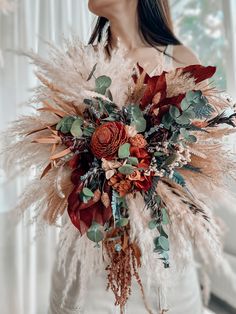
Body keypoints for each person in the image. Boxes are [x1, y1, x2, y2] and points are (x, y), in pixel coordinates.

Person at [48, 1, 206, 313]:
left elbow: (201, 166)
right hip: (92, 251)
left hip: (160, 253)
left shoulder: (181, 59)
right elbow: (53, 155)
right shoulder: (78, 62)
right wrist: (94, 165)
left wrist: (148, 168)